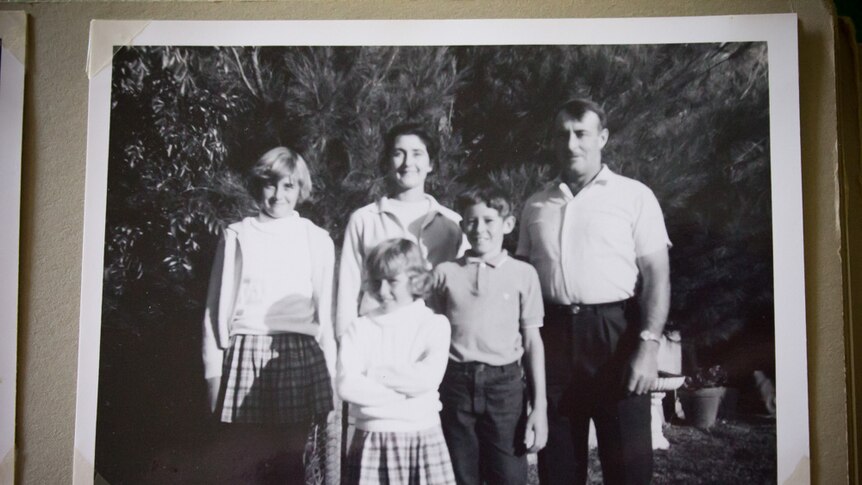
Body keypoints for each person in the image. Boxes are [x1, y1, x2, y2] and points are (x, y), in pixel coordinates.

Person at [517, 99, 671, 485]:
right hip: (552, 340)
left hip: (615, 336)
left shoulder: (634, 195)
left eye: (581, 133)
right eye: (562, 135)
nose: (571, 144)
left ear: (602, 138)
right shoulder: (536, 204)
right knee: (559, 468)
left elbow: (656, 276)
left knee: (628, 469)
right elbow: (521, 280)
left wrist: (649, 346)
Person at [202, 146, 336, 484]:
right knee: (246, 464)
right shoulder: (237, 235)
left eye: (288, 186)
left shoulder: (316, 239)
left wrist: (331, 378)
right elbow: (213, 312)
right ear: (258, 185)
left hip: (298, 357)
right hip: (245, 353)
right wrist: (213, 376)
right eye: (271, 184)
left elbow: (326, 320)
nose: (278, 195)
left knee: (290, 464)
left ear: (300, 190)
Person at [431, 187, 548, 485]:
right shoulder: (444, 273)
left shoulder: (524, 274)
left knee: (508, 475)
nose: (479, 229)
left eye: (489, 221)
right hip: (455, 384)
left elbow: (533, 341)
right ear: (462, 226)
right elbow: (431, 334)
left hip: (505, 387)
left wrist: (540, 406)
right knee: (460, 474)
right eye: (471, 221)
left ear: (507, 225)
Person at [337, 238, 456, 485]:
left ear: (415, 279)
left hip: (421, 435)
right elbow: (347, 386)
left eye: (392, 281)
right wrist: (408, 394)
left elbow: (427, 379)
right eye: (376, 281)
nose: (382, 291)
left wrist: (375, 375)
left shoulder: (433, 325)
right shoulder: (360, 328)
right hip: (371, 437)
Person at [336, 122, 465, 339]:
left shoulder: (452, 223)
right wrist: (345, 342)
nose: (408, 163)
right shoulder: (365, 219)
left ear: (430, 164)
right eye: (399, 154)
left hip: (429, 338)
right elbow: (347, 290)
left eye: (417, 154)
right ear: (388, 161)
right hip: (375, 336)